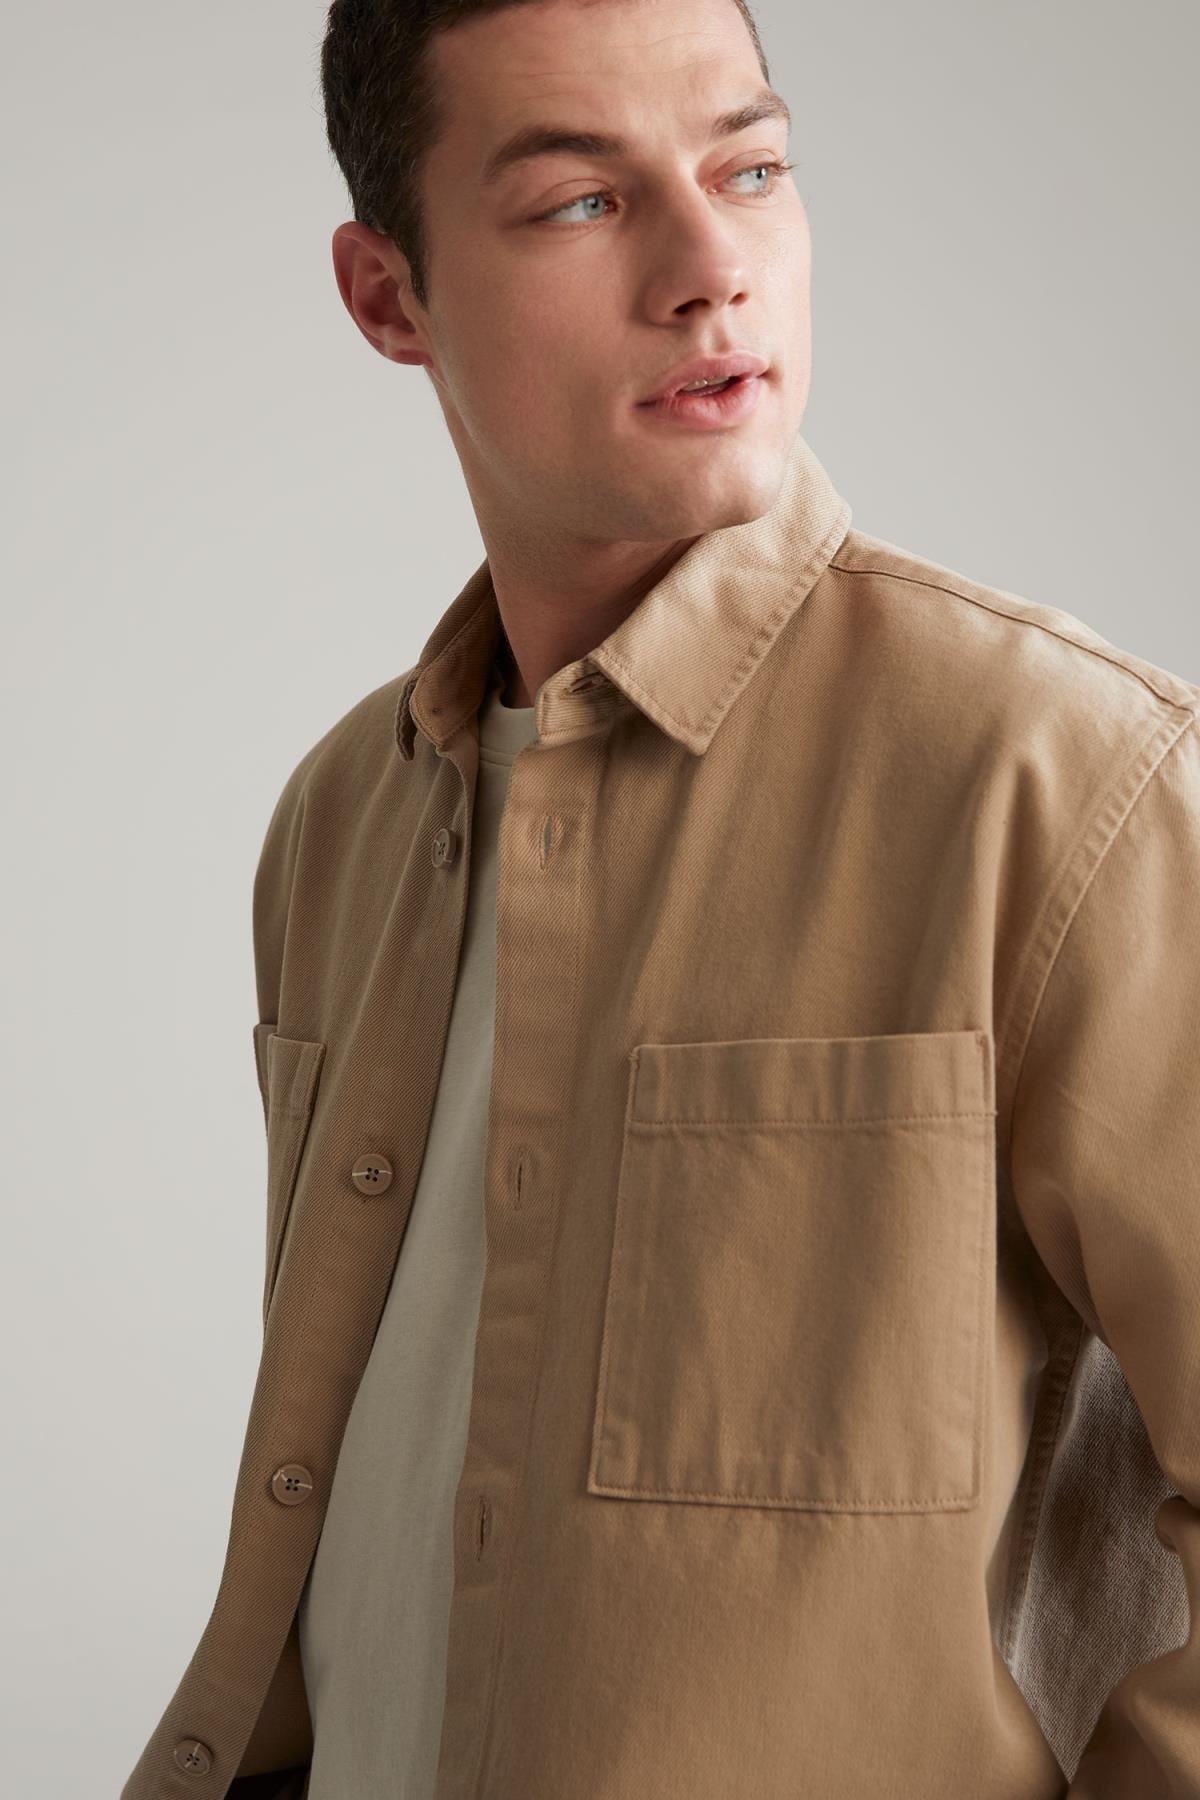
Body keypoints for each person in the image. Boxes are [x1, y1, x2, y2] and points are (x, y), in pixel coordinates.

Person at [121, 1, 1200, 1796]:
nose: (713, 271)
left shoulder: (1064, 782)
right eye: (581, 202)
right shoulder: (340, 827)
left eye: (750, 169)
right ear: (389, 296)